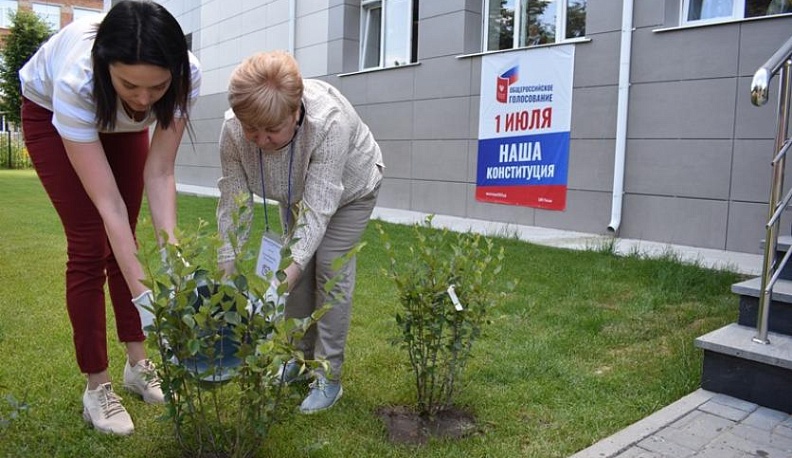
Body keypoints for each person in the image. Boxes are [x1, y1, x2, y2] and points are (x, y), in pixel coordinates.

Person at [19, 0, 201, 435]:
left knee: (128, 247)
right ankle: (96, 386)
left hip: (115, 122)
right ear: (105, 65)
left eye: (156, 88)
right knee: (91, 242)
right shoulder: (75, 79)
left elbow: (160, 172)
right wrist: (154, 310)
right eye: (130, 85)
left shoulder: (187, 74)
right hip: (50, 114)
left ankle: (138, 365)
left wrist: (175, 272)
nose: (142, 100)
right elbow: (110, 208)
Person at [216, 50, 384, 414]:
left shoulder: (328, 122)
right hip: (293, 192)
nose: (260, 140)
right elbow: (234, 200)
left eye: (272, 130)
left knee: (329, 271)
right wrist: (227, 271)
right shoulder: (232, 129)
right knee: (296, 273)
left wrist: (277, 284)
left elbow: (319, 209)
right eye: (252, 130)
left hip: (349, 192)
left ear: (295, 112)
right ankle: (297, 357)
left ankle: (328, 374)